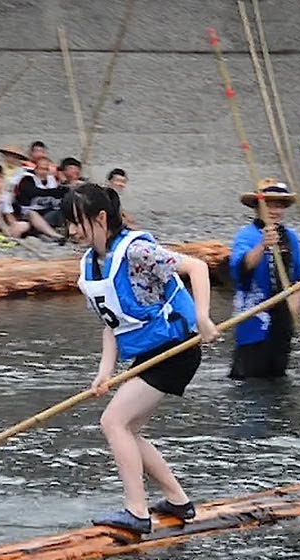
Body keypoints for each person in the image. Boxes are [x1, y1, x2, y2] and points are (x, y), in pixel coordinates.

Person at [68, 183, 218, 534]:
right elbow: (112, 326)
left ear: (101, 218)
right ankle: (178, 501)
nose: (71, 231)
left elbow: (197, 267)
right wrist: (104, 373)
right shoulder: (92, 266)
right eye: (68, 223)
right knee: (129, 429)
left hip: (175, 350)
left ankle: (137, 512)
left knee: (113, 422)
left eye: (77, 222)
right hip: (150, 354)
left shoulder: (137, 251)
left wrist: (203, 316)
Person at [228, 179, 300, 379]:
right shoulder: (246, 235)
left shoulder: (291, 237)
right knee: (248, 375)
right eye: (269, 204)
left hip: (282, 315)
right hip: (254, 313)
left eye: (279, 205)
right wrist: (263, 245)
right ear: (257, 208)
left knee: (278, 373)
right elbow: (241, 266)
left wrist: (292, 312)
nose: (274, 210)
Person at [14, 157, 68, 238]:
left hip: (48, 211)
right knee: (32, 215)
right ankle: (54, 235)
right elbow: (32, 192)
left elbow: (61, 193)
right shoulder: (27, 179)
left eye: (46, 169)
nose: (43, 172)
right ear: (36, 169)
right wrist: (54, 192)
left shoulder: (51, 180)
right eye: (41, 169)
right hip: (29, 213)